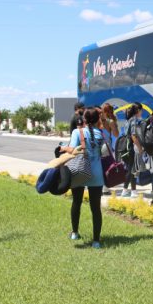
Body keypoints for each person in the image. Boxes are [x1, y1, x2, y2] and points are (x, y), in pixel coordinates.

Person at [61, 107, 105, 249]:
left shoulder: (76, 132)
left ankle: (74, 233)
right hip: (96, 174)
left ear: (84, 120)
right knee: (95, 208)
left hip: (79, 171)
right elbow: (104, 153)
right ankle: (96, 241)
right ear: (98, 119)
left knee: (77, 202)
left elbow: (73, 150)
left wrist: (62, 148)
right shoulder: (100, 134)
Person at [120, 103, 143, 198]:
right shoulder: (133, 120)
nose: (142, 112)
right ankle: (130, 191)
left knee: (131, 168)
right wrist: (140, 148)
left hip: (126, 147)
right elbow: (133, 135)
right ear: (137, 111)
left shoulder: (128, 120)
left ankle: (128, 190)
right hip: (131, 147)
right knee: (132, 169)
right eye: (141, 110)